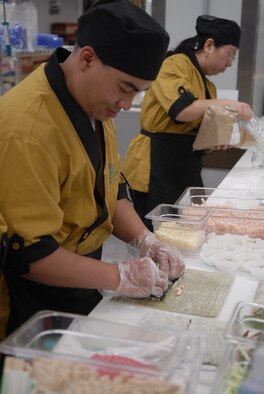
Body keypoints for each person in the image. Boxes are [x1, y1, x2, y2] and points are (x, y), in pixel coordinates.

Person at [0, 0, 185, 335]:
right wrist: (121, 276)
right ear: (87, 58)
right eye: (126, 88)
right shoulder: (26, 129)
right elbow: (30, 254)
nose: (127, 104)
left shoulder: (94, 102)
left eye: (138, 93)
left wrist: (146, 240)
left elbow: (108, 187)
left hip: (82, 274)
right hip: (31, 295)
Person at [122, 14, 253, 230]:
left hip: (185, 165)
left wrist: (213, 143)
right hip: (156, 163)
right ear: (209, 45)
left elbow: (198, 133)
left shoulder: (208, 87)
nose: (230, 63)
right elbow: (181, 111)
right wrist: (229, 103)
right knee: (157, 233)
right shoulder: (175, 63)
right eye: (229, 54)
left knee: (186, 230)